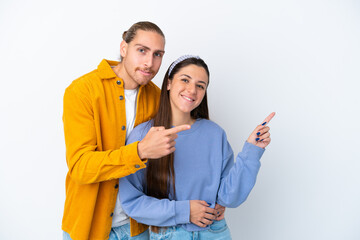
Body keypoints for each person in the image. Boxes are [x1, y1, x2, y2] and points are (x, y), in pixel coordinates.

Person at [118, 55, 275, 239]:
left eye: (200, 85)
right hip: (169, 234)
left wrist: (252, 150)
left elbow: (229, 197)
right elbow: (132, 203)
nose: (192, 90)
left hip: (215, 232)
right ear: (168, 83)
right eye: (185, 80)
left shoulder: (215, 134)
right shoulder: (142, 135)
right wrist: (185, 211)